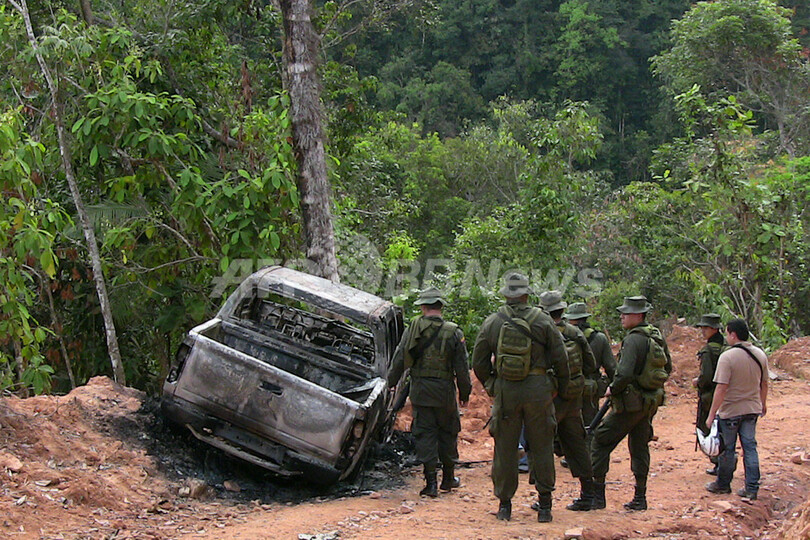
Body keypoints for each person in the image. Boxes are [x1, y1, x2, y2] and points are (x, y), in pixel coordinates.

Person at [472, 272, 569, 523]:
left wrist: (493, 385)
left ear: (506, 294)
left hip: (507, 391)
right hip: (538, 390)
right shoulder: (543, 320)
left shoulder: (493, 322)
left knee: (505, 448)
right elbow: (561, 358)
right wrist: (558, 387)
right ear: (527, 294)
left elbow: (478, 362)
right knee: (542, 445)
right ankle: (545, 506)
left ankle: (505, 505)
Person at [387, 287, 472, 498]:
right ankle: (449, 478)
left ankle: (431, 482)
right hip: (444, 391)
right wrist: (465, 392)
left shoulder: (414, 328)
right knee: (448, 431)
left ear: (424, 307)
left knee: (426, 433)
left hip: (421, 390)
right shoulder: (454, 332)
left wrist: (391, 381)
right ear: (440, 307)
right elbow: (462, 366)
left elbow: (399, 356)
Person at [590, 296, 672, 511]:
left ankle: (597, 496)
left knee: (600, 441)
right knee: (639, 445)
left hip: (630, 404)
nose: (621, 317)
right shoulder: (656, 336)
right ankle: (640, 496)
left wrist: (613, 389)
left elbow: (624, 373)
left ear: (638, 315)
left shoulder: (633, 339)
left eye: (625, 313)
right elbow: (668, 367)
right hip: (649, 401)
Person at [539, 291, 598, 512]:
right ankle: (588, 494)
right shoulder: (575, 332)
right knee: (577, 444)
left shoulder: (543, 333)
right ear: (562, 310)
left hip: (550, 398)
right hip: (573, 397)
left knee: (542, 446)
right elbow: (590, 364)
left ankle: (544, 500)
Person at [705, 318, 768, 501]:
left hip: (731, 411)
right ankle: (751, 487)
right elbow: (764, 383)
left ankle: (723, 484)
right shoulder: (760, 354)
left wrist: (711, 414)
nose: (726, 337)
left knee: (728, 449)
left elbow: (721, 388)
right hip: (751, 409)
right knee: (750, 447)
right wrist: (762, 403)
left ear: (733, 334)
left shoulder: (727, 357)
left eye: (727, 333)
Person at [564, 302, 616, 439]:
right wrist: (614, 386)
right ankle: (589, 455)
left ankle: (571, 457)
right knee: (590, 424)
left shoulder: (562, 337)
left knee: (567, 424)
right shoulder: (599, 338)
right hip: (590, 388)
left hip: (567, 387)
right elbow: (611, 367)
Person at [692, 313, 726, 476]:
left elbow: (706, 377)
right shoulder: (727, 347)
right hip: (727, 396)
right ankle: (723, 465)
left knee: (708, 429)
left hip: (710, 396)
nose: (702, 331)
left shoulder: (708, 351)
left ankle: (718, 464)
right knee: (724, 430)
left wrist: (697, 382)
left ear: (714, 329)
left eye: (705, 328)